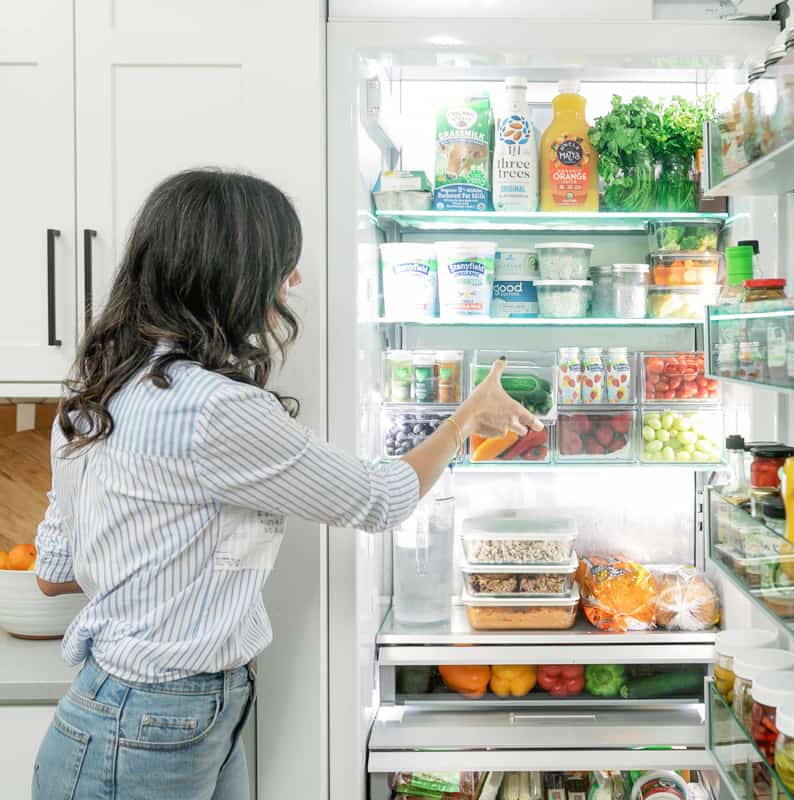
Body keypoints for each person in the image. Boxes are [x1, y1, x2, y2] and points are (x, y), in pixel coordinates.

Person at [30, 169, 541, 800]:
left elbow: (54, 570)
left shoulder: (98, 388)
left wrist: (154, 547)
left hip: (134, 711)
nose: (293, 280)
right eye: (283, 262)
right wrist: (465, 419)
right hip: (153, 728)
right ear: (231, 273)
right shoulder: (214, 408)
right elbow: (380, 498)